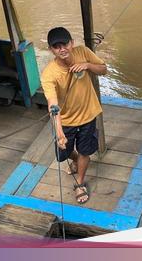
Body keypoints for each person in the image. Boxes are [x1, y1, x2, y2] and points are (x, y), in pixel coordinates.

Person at [41, 27, 107, 204]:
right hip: (67, 119)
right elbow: (52, 103)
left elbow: (103, 69)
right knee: (62, 154)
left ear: (72, 43)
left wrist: (87, 65)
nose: (62, 49)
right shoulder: (49, 73)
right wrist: (59, 131)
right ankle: (76, 159)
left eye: (65, 44)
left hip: (88, 114)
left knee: (86, 150)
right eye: (56, 46)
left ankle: (80, 182)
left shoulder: (83, 52)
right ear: (51, 50)